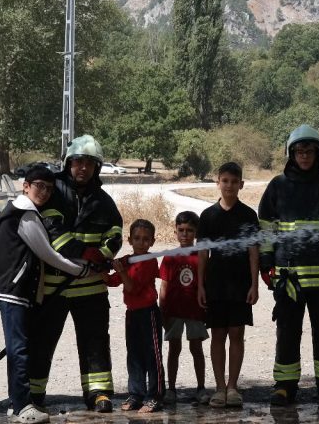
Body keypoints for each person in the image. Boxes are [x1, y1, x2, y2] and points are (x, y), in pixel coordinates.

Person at [258, 124, 319, 406]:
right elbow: (266, 229)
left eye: (309, 151)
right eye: (299, 151)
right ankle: (285, 386)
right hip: (289, 277)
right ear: (291, 153)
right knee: (287, 333)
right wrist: (266, 262)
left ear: (318, 154)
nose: (304, 156)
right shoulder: (277, 186)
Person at [29, 135, 123, 413]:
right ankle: (33, 394)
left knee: (95, 341)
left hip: (91, 287)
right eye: (78, 162)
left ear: (96, 167)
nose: (83, 168)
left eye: (89, 163)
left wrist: (104, 253)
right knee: (42, 341)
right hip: (54, 286)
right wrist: (85, 253)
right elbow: (52, 231)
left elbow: (115, 231)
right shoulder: (53, 192)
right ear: (68, 163)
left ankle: (98, 392)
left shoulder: (103, 200)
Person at [0, 166, 88, 424]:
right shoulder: (25, 214)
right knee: (19, 349)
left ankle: (17, 404)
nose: (44, 192)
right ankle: (22, 407)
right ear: (26, 186)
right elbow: (48, 253)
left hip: (13, 290)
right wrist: (80, 269)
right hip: (14, 290)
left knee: (19, 347)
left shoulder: (20, 210)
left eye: (49, 188)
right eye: (39, 186)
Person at [197, 162, 260, 408]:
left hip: (240, 283)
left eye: (234, 182)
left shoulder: (248, 215)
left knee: (236, 334)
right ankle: (219, 387)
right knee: (217, 335)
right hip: (215, 283)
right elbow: (203, 254)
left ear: (241, 184)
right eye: (225, 181)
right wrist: (200, 285)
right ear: (218, 183)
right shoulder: (208, 216)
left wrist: (254, 284)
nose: (229, 186)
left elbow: (253, 252)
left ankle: (233, 387)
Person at [107, 219, 165, 413]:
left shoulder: (149, 261)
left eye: (146, 239)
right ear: (129, 240)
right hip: (131, 314)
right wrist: (99, 269)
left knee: (152, 356)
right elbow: (112, 281)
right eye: (137, 238)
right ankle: (136, 395)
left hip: (148, 314)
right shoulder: (127, 260)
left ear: (152, 242)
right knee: (134, 355)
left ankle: (155, 396)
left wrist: (121, 270)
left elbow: (131, 287)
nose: (141, 243)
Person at [159, 211, 209, 406]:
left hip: (195, 310)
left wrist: (206, 309)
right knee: (174, 348)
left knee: (196, 348)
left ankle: (201, 388)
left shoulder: (201, 256)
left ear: (196, 233)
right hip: (174, 311)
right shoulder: (170, 257)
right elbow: (163, 286)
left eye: (189, 230)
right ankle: (171, 389)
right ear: (175, 232)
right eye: (181, 230)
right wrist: (163, 311)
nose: (185, 234)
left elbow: (205, 283)